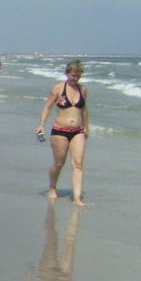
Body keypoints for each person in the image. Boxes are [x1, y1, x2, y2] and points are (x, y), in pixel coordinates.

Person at [36, 59, 89, 206]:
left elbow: (84, 110)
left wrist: (86, 127)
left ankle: (77, 198)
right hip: (60, 130)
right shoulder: (58, 88)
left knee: (78, 163)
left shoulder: (83, 89)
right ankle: (52, 187)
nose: (75, 78)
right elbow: (47, 107)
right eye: (73, 75)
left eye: (78, 76)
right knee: (59, 163)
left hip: (78, 131)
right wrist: (42, 124)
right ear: (67, 73)